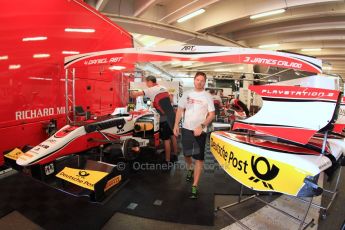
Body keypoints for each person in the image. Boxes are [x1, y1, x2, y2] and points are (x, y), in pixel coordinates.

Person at [173, 72, 215, 199]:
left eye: (202, 80)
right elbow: (180, 110)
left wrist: (202, 126)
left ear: (205, 82)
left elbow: (211, 114)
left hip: (200, 131)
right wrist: (176, 125)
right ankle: (190, 168)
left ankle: (195, 185)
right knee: (186, 154)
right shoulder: (187, 94)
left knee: (199, 158)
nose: (200, 82)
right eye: (198, 79)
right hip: (186, 129)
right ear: (194, 80)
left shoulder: (207, 96)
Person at [131, 76, 178, 162]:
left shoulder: (150, 90)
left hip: (164, 117)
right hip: (172, 114)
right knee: (173, 136)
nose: (146, 85)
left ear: (149, 82)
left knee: (166, 139)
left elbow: (134, 94)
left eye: (146, 83)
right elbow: (170, 100)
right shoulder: (163, 88)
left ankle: (167, 160)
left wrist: (130, 90)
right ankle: (175, 154)